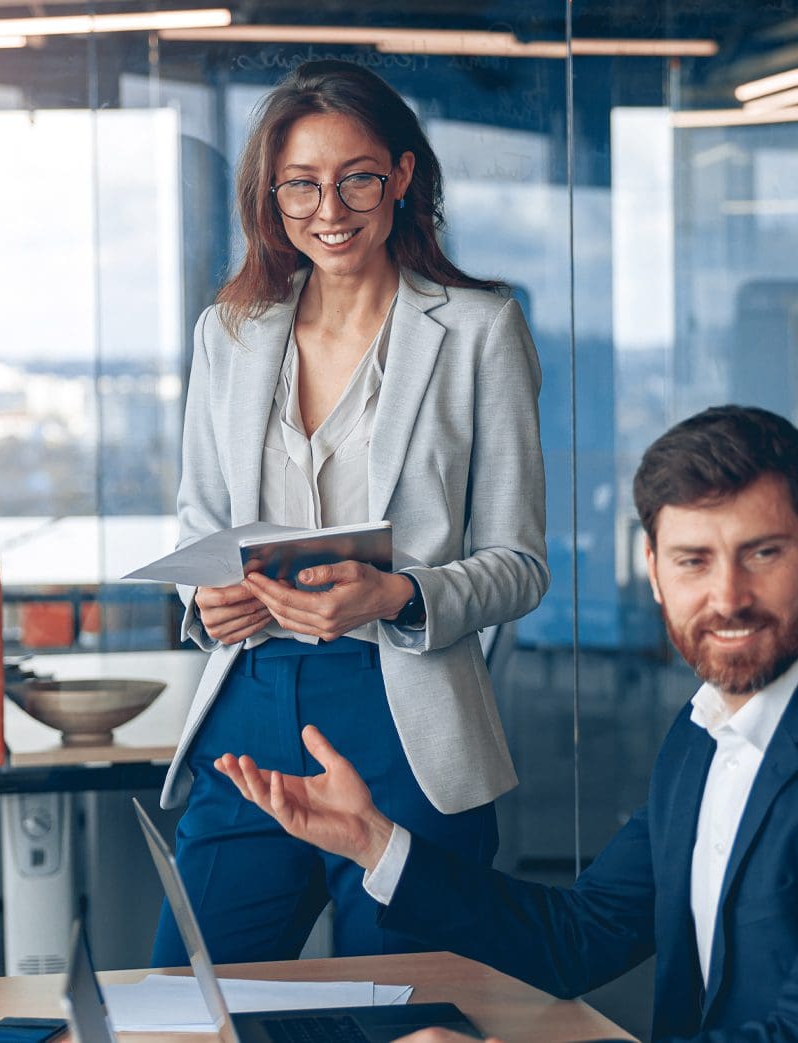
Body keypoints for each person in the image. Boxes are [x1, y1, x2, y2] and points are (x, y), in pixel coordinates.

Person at [217, 405, 798, 1040]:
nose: (727, 596)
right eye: (694, 561)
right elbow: (584, 936)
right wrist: (370, 840)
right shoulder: (705, 731)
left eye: (761, 553)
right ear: (654, 569)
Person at [155, 58, 550, 966]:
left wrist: (392, 595)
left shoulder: (481, 329)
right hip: (248, 705)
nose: (329, 209)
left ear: (403, 177)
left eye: (356, 177)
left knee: (404, 1008)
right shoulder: (230, 330)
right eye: (301, 184)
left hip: (403, 720)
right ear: (273, 194)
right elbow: (198, 523)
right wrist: (207, 598)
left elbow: (519, 563)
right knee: (188, 997)